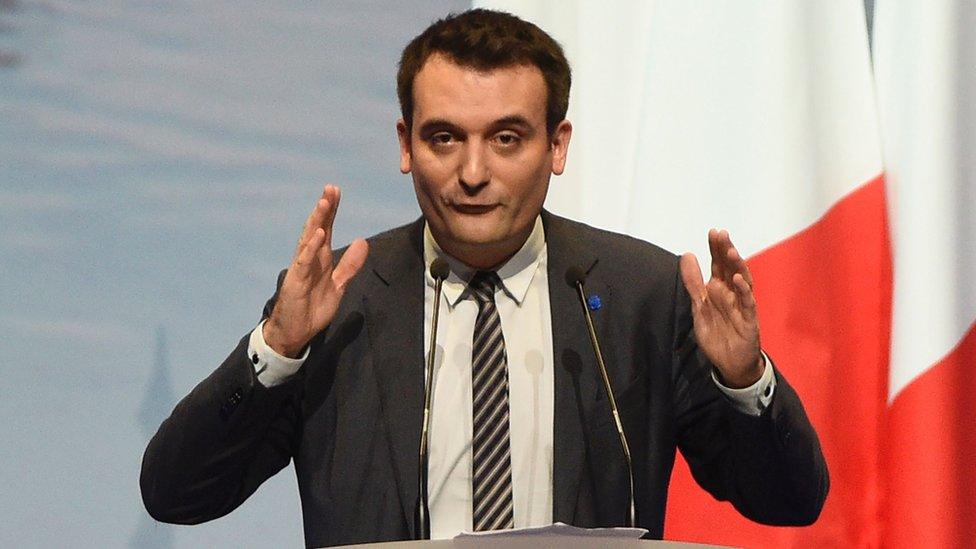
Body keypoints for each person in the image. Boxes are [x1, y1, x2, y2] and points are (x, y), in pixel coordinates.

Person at [141, 9, 827, 547]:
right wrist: (277, 351)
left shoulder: (639, 295)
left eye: (506, 138)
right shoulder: (339, 298)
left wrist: (744, 382)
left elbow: (789, 499)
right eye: (444, 137)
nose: (473, 172)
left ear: (557, 146)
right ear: (405, 145)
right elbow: (176, 493)